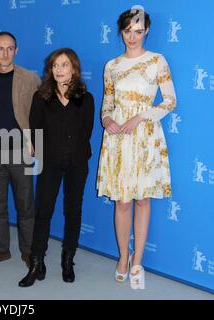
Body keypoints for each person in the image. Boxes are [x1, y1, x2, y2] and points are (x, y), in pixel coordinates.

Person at [96, 8, 176, 290]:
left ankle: (138, 259)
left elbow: (169, 101)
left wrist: (139, 117)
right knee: (122, 201)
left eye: (138, 31)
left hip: (144, 135)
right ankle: (122, 256)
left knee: (142, 199)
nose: (133, 36)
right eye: (128, 30)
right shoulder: (112, 66)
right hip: (118, 137)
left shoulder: (157, 61)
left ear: (147, 31)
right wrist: (107, 119)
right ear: (121, 31)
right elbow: (107, 103)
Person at [19, 48, 94, 287]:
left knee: (73, 212)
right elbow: (35, 129)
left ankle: (67, 259)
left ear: (74, 68)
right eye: (55, 66)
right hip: (49, 163)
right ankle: (37, 262)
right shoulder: (41, 96)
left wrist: (70, 152)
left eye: (64, 65)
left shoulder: (86, 98)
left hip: (77, 163)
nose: (59, 70)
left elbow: (86, 133)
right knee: (43, 213)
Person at [0, 32, 41, 268]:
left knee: (25, 203)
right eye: (0, 48)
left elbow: (39, 114)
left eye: (10, 48)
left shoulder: (31, 79)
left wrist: (36, 142)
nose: (5, 53)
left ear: (16, 50)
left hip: (21, 150)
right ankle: (1, 249)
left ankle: (28, 249)